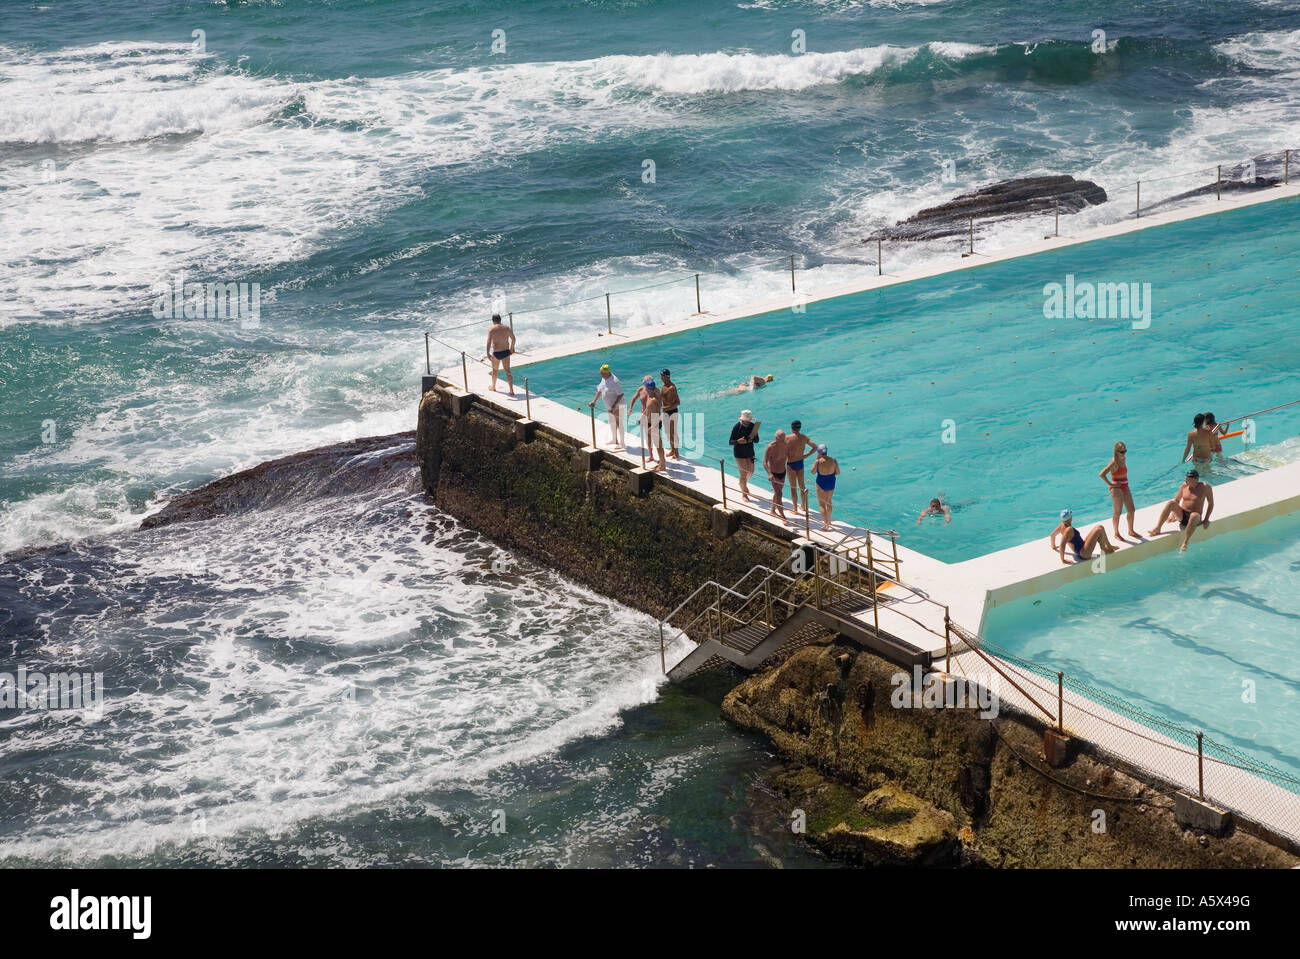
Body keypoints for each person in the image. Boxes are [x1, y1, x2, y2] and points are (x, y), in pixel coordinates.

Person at [1148, 469, 1214, 552]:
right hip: (1182, 515)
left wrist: (1206, 519)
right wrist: (1173, 515)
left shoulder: (1205, 487)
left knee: (1194, 515)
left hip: (1195, 517)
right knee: (1171, 503)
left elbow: (1211, 503)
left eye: (1188, 480)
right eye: (1185, 479)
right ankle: (1158, 528)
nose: (1186, 481)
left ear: (1195, 480)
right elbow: (1177, 500)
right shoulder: (1184, 486)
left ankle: (1185, 542)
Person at [1099, 441, 1138, 542]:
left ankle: (1131, 530)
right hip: (1116, 489)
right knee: (1118, 512)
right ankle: (1116, 533)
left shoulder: (1123, 459)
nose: (1124, 453)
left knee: (1131, 510)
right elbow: (1102, 474)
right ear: (1116, 452)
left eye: (1125, 451)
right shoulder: (1114, 462)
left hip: (1125, 486)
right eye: (1122, 452)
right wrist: (1111, 484)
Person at [1050, 509, 1118, 565]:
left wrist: (1053, 546)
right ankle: (1106, 549)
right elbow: (1062, 545)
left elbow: (1052, 535)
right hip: (1084, 554)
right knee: (1099, 530)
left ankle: (1108, 547)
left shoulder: (1061, 525)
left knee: (1100, 527)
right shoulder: (1069, 530)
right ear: (1070, 518)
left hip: (1082, 547)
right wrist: (1063, 560)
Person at [627, 378, 667, 472]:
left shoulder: (654, 400)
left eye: (646, 388)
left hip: (655, 422)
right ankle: (661, 463)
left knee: (659, 445)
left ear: (649, 389)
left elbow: (658, 415)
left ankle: (663, 465)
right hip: (651, 421)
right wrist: (642, 416)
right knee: (658, 444)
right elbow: (648, 409)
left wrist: (652, 427)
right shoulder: (650, 396)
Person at [587, 364, 624, 448]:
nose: (601, 375)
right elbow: (600, 390)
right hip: (609, 406)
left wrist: (614, 406)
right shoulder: (604, 378)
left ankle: (622, 443)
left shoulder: (615, 381)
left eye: (602, 373)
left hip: (617, 406)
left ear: (607, 373)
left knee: (619, 424)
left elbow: (621, 394)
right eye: (600, 373)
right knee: (612, 422)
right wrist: (594, 401)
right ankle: (614, 440)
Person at [784, 421, 817, 513]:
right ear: (800, 428)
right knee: (802, 486)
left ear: (791, 428)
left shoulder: (787, 438)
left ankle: (795, 508)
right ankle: (803, 506)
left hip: (791, 464)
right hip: (800, 463)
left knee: (793, 487)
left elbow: (782, 452)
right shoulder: (804, 437)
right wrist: (806, 455)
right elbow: (815, 447)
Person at [729, 410, 760, 502]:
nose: (748, 421)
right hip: (739, 453)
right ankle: (744, 494)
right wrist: (738, 441)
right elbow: (730, 441)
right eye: (747, 420)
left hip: (750, 452)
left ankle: (742, 483)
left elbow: (757, 440)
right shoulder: (737, 427)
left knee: (751, 471)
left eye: (749, 420)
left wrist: (752, 438)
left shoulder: (753, 426)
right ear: (742, 419)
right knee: (743, 473)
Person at [485, 314, 516, 396]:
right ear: (500, 319)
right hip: (506, 352)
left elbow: (488, 342)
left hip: (496, 353)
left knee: (495, 370)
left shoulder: (491, 329)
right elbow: (513, 339)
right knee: (508, 371)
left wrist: (487, 353)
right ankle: (511, 390)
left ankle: (493, 387)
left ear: (493, 321)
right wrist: (512, 349)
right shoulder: (507, 328)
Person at [810, 444, 839, 532]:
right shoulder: (833, 460)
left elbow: (812, 472)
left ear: (819, 452)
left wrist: (816, 459)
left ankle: (826, 524)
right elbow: (837, 472)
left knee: (821, 504)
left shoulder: (818, 462)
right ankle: (829, 521)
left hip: (821, 483)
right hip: (831, 482)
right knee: (829, 501)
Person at [764, 429, 789, 521]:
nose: (783, 441)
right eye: (781, 439)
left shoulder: (786, 445)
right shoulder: (770, 447)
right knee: (779, 493)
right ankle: (782, 516)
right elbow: (764, 462)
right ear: (776, 438)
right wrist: (769, 474)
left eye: (784, 439)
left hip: (783, 473)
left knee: (777, 493)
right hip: (773, 474)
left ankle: (772, 510)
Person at [660, 369, 681, 459]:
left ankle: (677, 452)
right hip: (665, 412)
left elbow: (677, 402)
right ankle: (672, 450)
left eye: (661, 376)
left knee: (673, 433)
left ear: (665, 377)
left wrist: (666, 408)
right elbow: (662, 398)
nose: (660, 377)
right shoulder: (663, 386)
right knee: (667, 433)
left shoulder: (672, 388)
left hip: (672, 412)